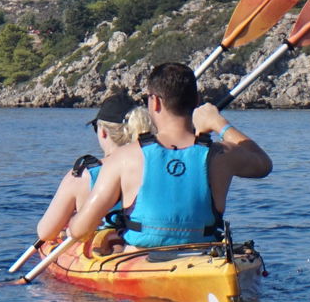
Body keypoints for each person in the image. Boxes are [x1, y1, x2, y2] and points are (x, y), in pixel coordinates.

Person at [68, 62, 273, 248]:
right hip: (203, 256)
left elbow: (80, 230)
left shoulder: (123, 158)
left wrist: (70, 226)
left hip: (142, 258)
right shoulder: (223, 154)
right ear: (197, 101)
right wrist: (219, 123)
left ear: (155, 102)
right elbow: (264, 164)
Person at [35, 92, 152, 242]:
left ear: (103, 132)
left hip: (99, 251)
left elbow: (45, 233)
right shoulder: (156, 167)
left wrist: (72, 220)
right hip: (145, 245)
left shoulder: (82, 176)